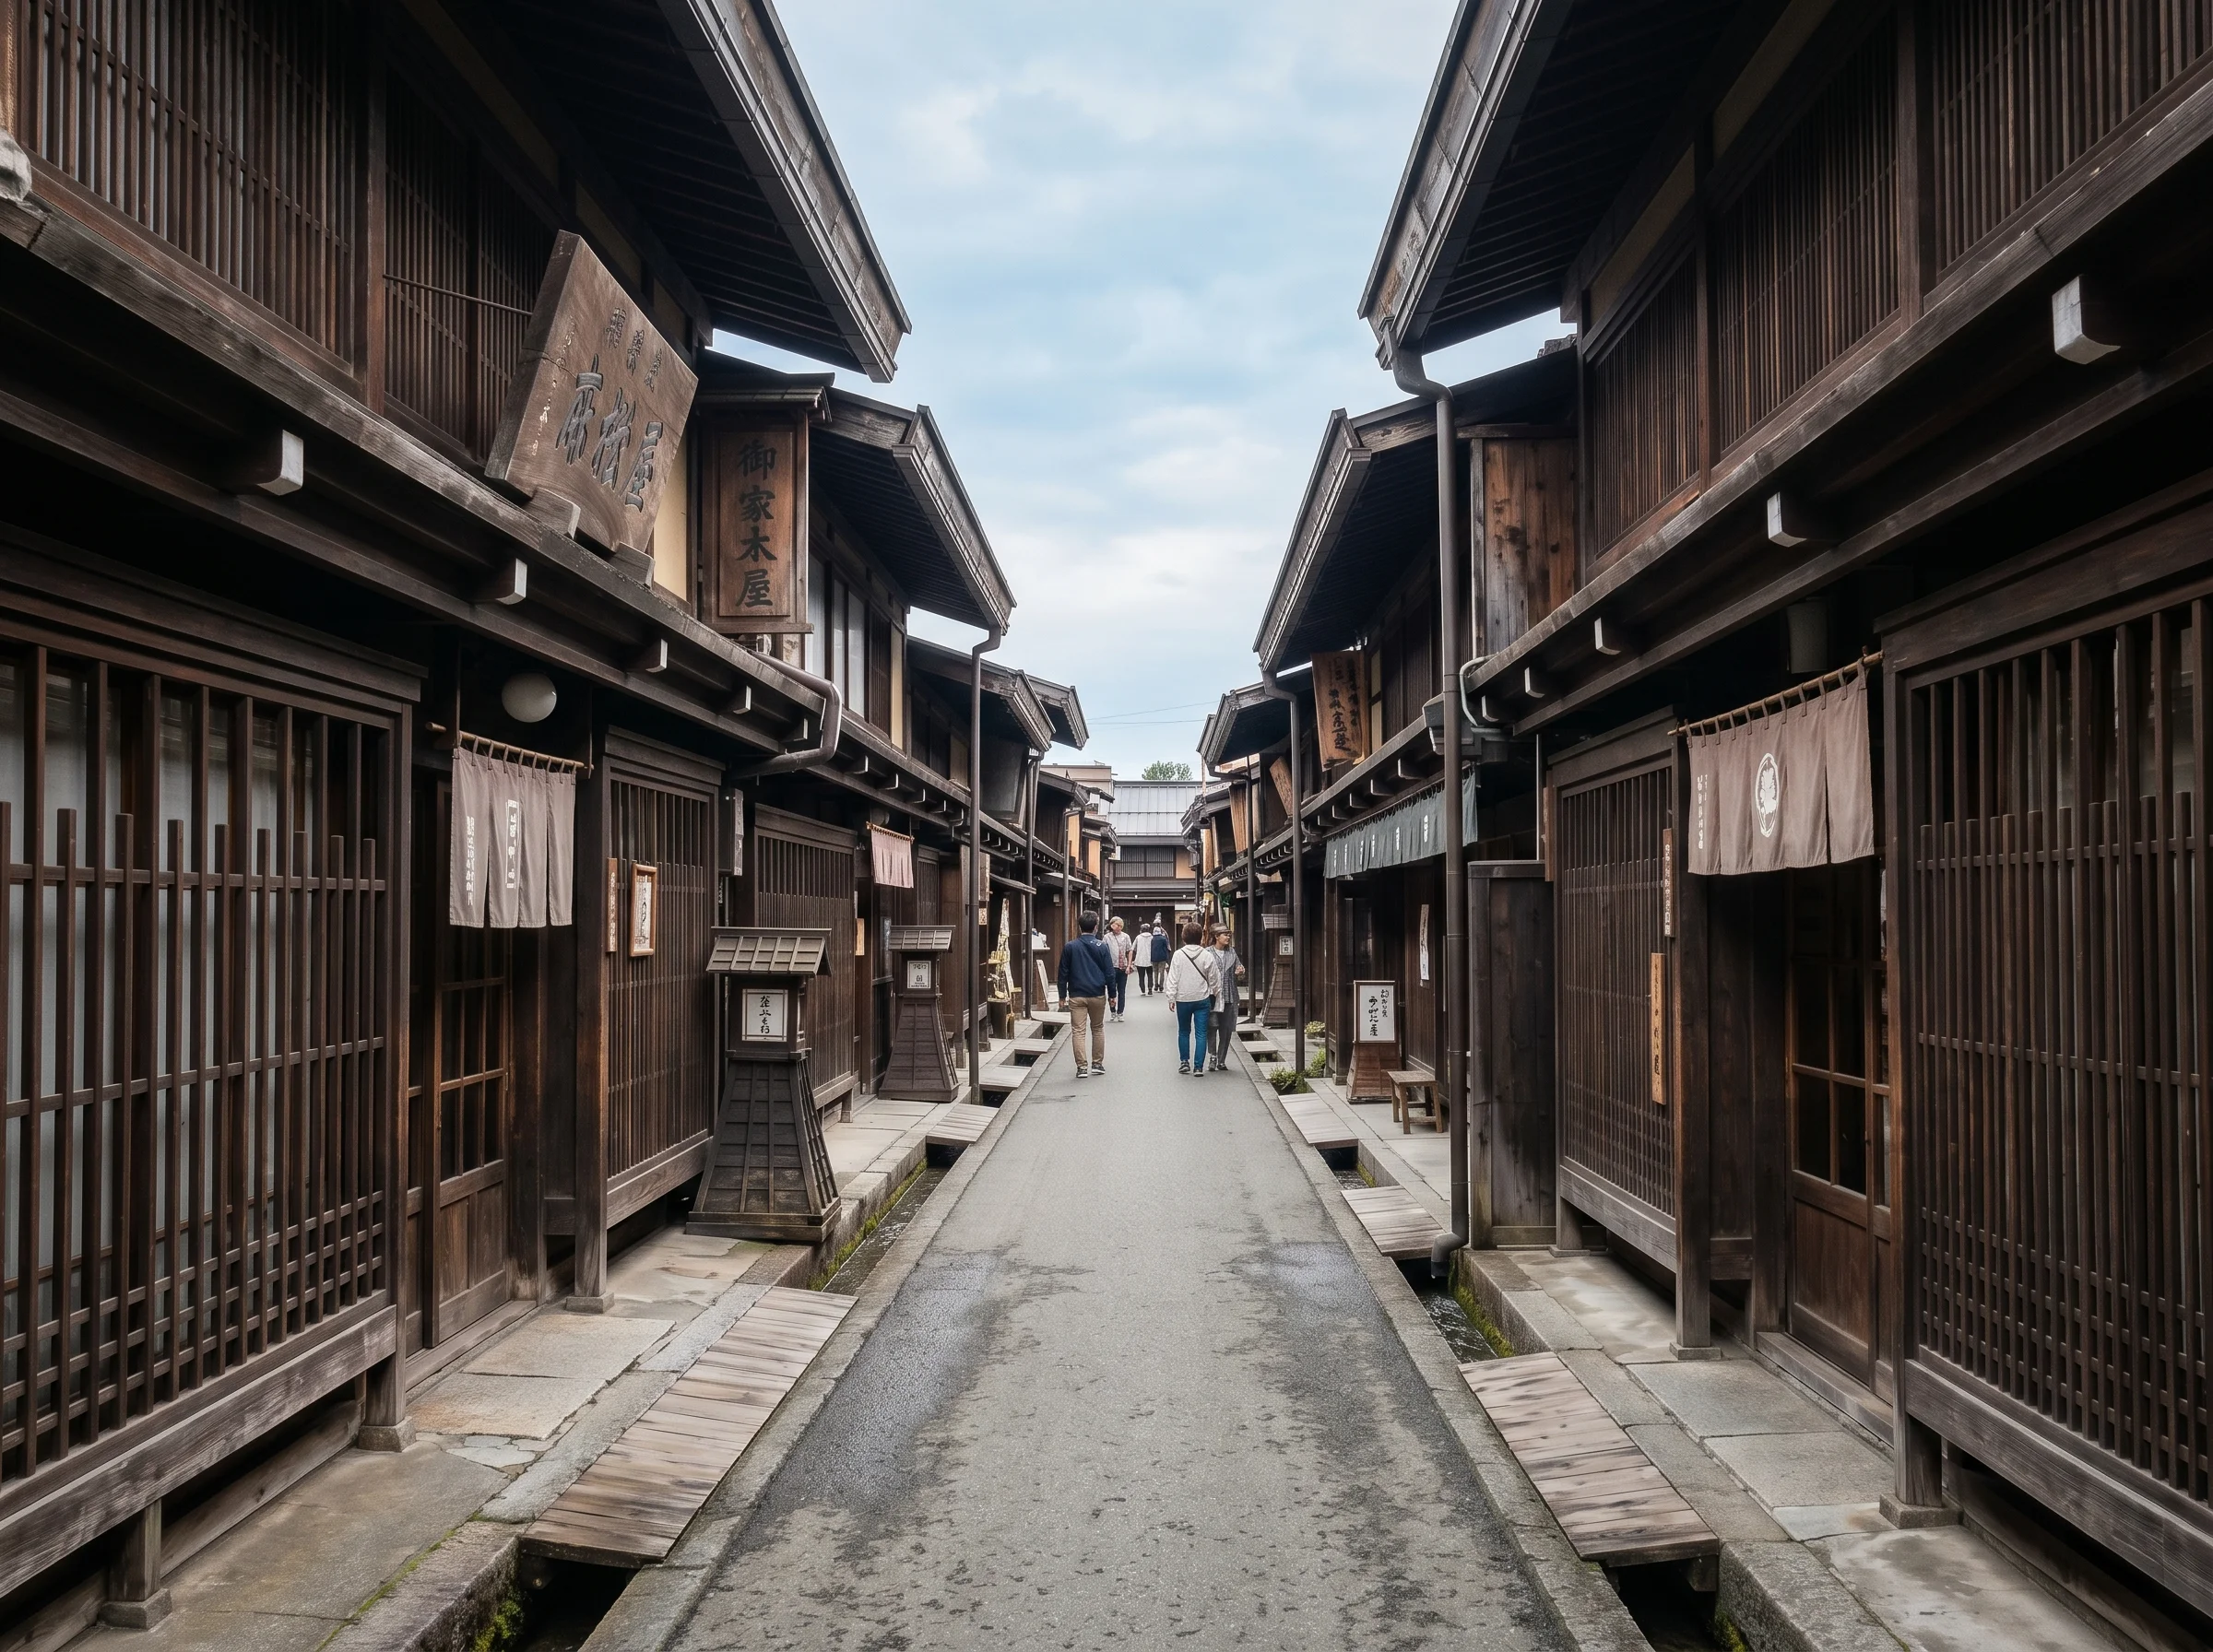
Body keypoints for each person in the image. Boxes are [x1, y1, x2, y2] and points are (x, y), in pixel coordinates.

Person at [1056, 910, 1116, 1077]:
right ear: (1096, 927)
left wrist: (1062, 996)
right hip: (1097, 993)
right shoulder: (1102, 946)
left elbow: (1063, 973)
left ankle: (1082, 1067)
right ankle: (1097, 1064)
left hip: (1076, 995)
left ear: (1079, 927)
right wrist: (1112, 994)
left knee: (1078, 1031)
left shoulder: (1070, 947)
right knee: (1097, 1028)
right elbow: (1109, 973)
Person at [1163, 922, 1222, 1076]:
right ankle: (1198, 1067)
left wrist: (1171, 997)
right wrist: (1216, 992)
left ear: (1184, 937)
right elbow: (1214, 978)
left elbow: (1172, 978)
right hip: (1202, 998)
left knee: (1183, 1031)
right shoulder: (1206, 955)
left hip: (1183, 999)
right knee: (1201, 1033)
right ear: (1201, 937)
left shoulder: (1178, 954)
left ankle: (1184, 1063)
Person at [1205, 926, 1245, 1071]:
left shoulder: (1232, 953)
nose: (1228, 937)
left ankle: (1221, 1060)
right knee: (1212, 1027)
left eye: (1228, 935)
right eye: (1224, 935)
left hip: (1229, 996)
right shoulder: (1207, 953)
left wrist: (1240, 972)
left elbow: (1240, 973)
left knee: (1226, 1030)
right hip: (1212, 997)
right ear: (1216, 936)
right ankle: (1212, 1057)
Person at [1104, 916, 1133, 1021]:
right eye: (1117, 925)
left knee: (1122, 991)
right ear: (1112, 925)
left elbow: (1130, 950)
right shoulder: (1107, 937)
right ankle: (1112, 1011)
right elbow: (1104, 952)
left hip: (1123, 967)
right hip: (1111, 967)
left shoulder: (1126, 937)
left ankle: (1120, 1012)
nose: (1119, 927)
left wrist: (1129, 965)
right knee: (1112, 990)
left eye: (1121, 926)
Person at [1148, 923, 1170, 996]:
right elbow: (1166, 948)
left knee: (1155, 972)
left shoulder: (1152, 939)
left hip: (1154, 957)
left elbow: (1150, 948)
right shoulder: (1163, 939)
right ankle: (1161, 986)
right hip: (1162, 957)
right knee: (1162, 972)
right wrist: (1167, 957)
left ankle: (1156, 985)